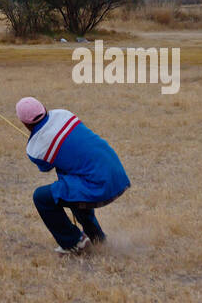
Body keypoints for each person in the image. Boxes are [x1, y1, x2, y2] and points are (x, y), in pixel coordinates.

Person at [16, 97, 130, 254]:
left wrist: (34, 139)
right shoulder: (64, 114)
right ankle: (97, 239)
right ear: (44, 108)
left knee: (41, 197)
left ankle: (74, 242)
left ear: (24, 124)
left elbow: (45, 167)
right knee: (70, 189)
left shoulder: (34, 149)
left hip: (98, 184)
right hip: (116, 172)